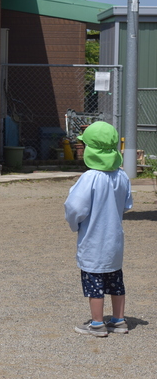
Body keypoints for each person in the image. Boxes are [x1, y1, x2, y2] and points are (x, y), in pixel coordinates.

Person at [64, 121, 133, 337]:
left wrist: (75, 224)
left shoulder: (89, 178)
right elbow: (127, 205)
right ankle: (119, 320)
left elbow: (75, 207)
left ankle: (96, 324)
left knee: (94, 283)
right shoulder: (121, 176)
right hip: (114, 241)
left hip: (93, 241)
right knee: (115, 281)